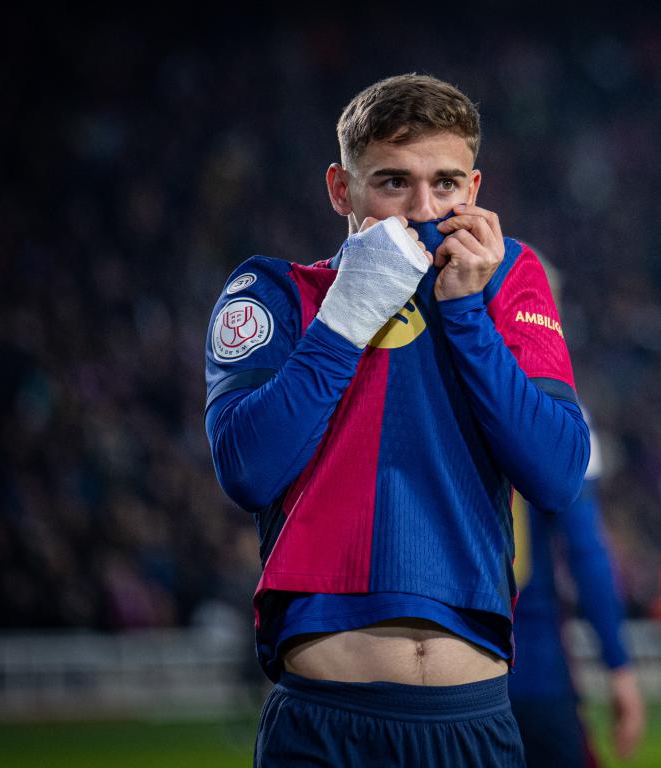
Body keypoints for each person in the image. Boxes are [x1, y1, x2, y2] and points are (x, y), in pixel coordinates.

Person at [204, 74, 589, 767]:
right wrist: (348, 313)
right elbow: (247, 469)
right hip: (326, 722)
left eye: (444, 184)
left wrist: (467, 315)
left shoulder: (509, 280)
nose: (422, 209)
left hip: (471, 718)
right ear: (340, 189)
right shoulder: (276, 291)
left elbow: (558, 473)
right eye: (392, 182)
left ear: (473, 189)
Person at [507, 417, 646, 767]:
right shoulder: (554, 411)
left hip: (444, 669)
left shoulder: (426, 392)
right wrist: (618, 665)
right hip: (534, 669)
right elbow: (586, 554)